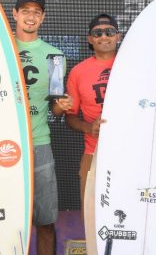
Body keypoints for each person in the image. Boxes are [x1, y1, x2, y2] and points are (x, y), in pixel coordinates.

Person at [13, 0, 72, 255]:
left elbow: (56, 109)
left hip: (39, 143)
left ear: (43, 17)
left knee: (45, 221)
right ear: (15, 14)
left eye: (36, 12)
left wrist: (61, 106)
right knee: (5, 219)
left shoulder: (55, 57)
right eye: (25, 10)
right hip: (1, 145)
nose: (30, 16)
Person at [65, 14, 120, 221]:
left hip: (130, 153)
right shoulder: (78, 72)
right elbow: (70, 118)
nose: (104, 36)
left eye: (109, 32)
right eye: (98, 33)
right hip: (93, 152)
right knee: (93, 218)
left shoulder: (134, 66)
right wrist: (90, 128)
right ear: (90, 39)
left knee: (128, 217)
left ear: (118, 36)